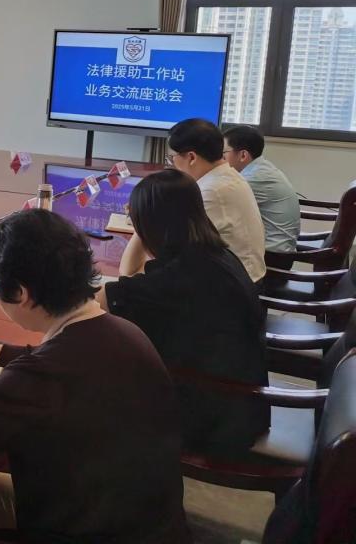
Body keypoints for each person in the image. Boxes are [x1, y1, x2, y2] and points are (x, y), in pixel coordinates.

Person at [0, 210, 189, 544]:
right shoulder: (120, 331)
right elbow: (41, 362)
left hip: (91, 531)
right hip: (146, 526)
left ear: (21, 293)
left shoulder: (46, 374)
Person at [101, 169, 270, 455]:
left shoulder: (182, 276)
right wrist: (146, 222)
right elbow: (127, 280)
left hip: (216, 417)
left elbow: (104, 299)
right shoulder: (211, 253)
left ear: (154, 225)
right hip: (240, 403)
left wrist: (141, 228)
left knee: (96, 383)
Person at [123, 118, 265, 282]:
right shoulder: (226, 176)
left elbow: (130, 270)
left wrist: (142, 214)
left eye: (172, 158)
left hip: (231, 286)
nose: (172, 164)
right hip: (237, 278)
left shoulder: (212, 191)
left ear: (191, 157)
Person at [223, 125, 301, 255]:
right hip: (274, 247)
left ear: (243, 155)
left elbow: (221, 204)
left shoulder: (253, 178)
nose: (221, 159)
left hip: (273, 254)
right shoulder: (260, 168)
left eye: (224, 153)